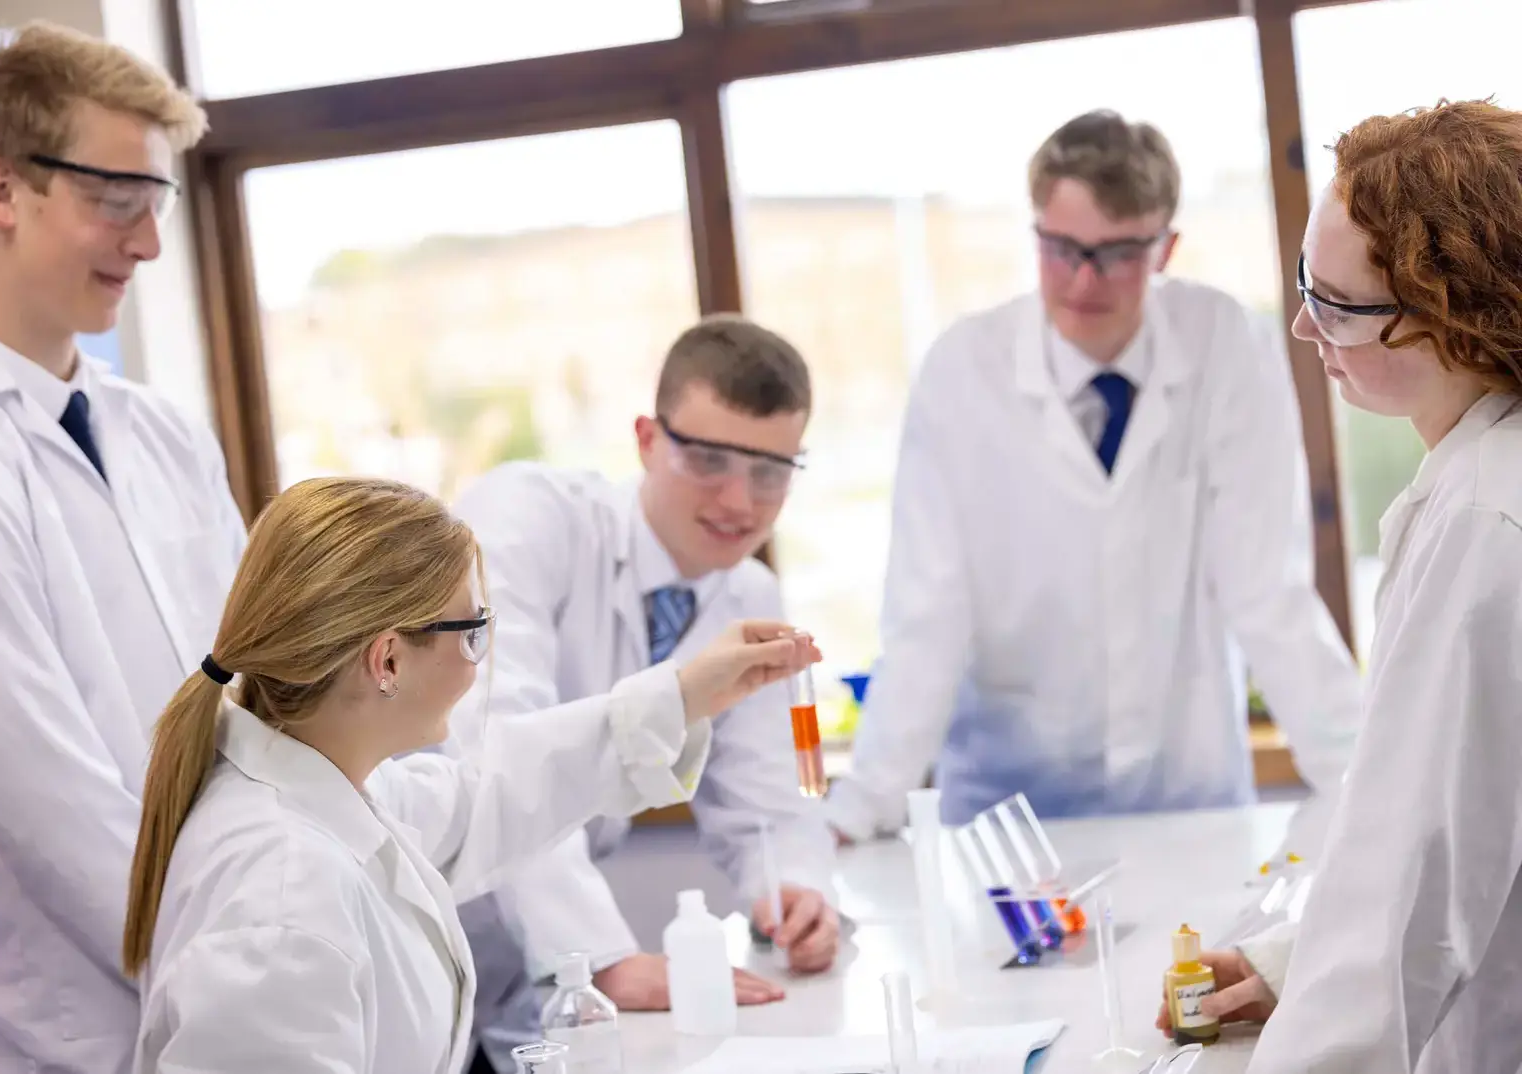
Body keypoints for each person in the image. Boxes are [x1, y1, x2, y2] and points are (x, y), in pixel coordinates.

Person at [126, 475, 820, 1070]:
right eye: (473, 631)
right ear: (389, 660)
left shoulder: (326, 798)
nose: (479, 661)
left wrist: (686, 693)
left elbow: (485, 798)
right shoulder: (281, 897)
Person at [825, 110, 1363, 841]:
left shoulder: (1224, 344)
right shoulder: (962, 371)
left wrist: (1364, 784)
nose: (1083, 280)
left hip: (1189, 798)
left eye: (1117, 254)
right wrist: (865, 804)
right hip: (1006, 813)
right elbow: (928, 614)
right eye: (1063, 249)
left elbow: (1267, 589)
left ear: (1165, 247)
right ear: (1036, 232)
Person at [1156, 99, 1522, 1073]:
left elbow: (1425, 875)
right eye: (1304, 285)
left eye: (1339, 306)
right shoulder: (1478, 473)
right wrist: (1290, 959)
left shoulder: (1489, 521)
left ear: (1454, 315)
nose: (1301, 325)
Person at [0, 23, 247, 1074]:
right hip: (84, 1037)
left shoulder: (165, 435)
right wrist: (247, 976)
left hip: (247, 973)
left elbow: (263, 693)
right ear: (3, 192)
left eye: (158, 203)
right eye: (117, 199)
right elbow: (50, 808)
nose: (148, 244)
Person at [455, 315, 841, 1023]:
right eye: (707, 460)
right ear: (646, 439)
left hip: (542, 969)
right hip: (432, 927)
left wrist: (792, 891)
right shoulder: (530, 520)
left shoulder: (748, 594)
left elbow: (764, 800)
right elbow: (494, 754)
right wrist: (597, 960)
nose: (738, 502)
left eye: (770, 471)